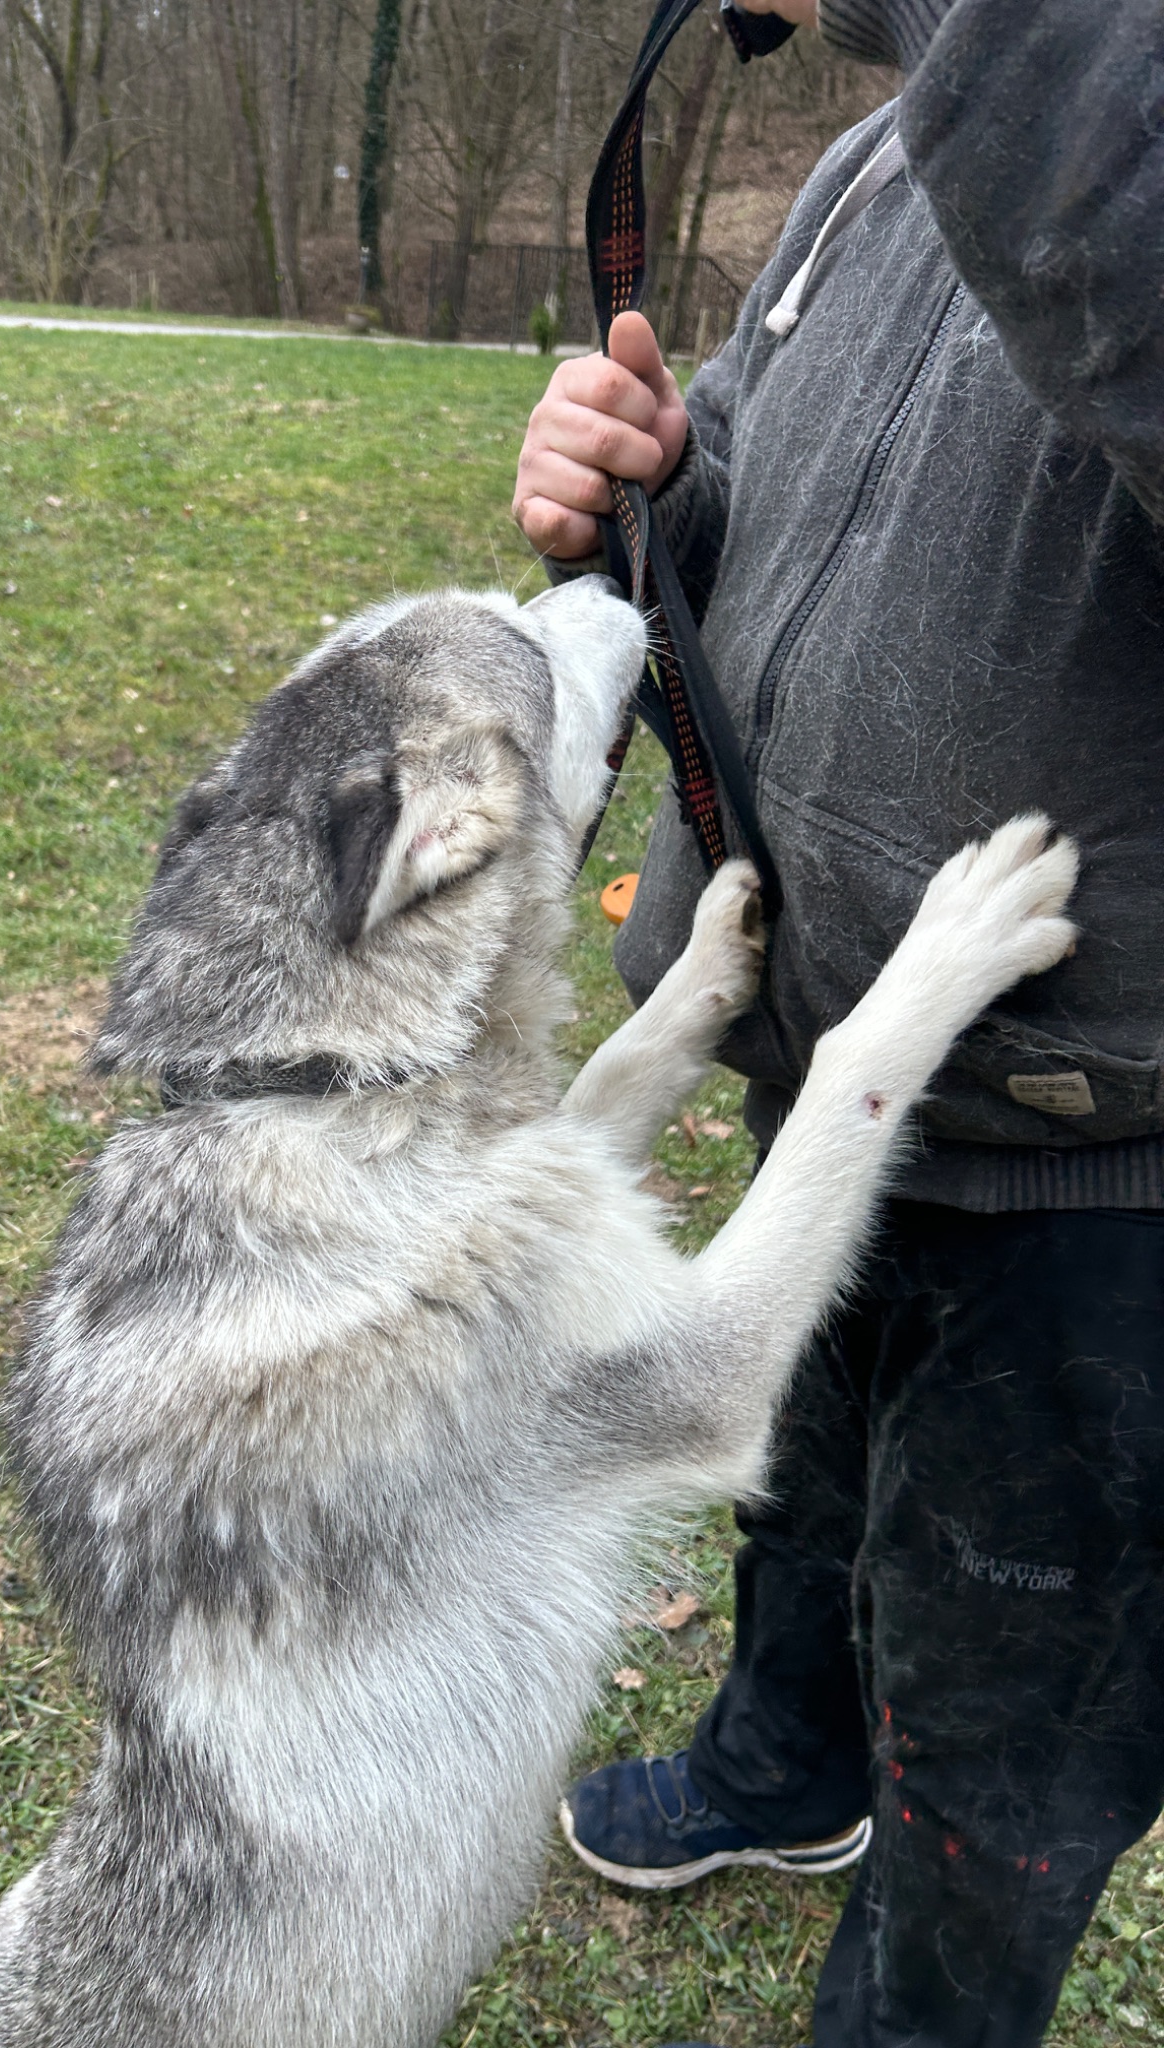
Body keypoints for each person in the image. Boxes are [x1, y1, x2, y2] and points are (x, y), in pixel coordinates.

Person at [512, 0, 1164, 2043]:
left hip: (1099, 1168)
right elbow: (757, 488)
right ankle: (780, 1771)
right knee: (798, 1480)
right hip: (825, 1045)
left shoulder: (1065, 116)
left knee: (1000, 1723)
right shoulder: (880, 162)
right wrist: (642, 493)